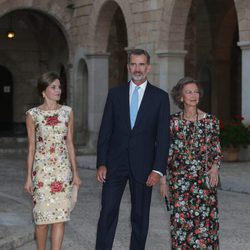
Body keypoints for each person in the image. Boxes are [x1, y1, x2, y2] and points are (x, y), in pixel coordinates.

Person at [95, 49, 170, 250]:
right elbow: (105, 131)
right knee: (108, 211)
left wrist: (157, 169)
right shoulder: (115, 94)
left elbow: (163, 137)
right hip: (114, 164)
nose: (137, 69)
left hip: (145, 167)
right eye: (134, 64)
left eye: (141, 64)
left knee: (140, 216)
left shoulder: (160, 97)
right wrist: (101, 162)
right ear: (128, 67)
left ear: (148, 68)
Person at [160, 76, 222, 249]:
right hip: (179, 184)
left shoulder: (211, 121)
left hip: (204, 183)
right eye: (188, 92)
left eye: (196, 92)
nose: (193, 95)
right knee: (181, 227)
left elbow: (216, 150)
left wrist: (215, 168)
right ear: (181, 97)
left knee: (205, 227)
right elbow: (165, 153)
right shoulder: (172, 123)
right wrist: (163, 180)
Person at [24, 72, 81, 250]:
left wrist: (75, 173)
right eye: (53, 87)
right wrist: (28, 177)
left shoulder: (67, 112)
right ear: (43, 91)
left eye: (59, 87)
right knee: (41, 221)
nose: (58, 90)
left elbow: (70, 143)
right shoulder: (32, 115)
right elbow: (32, 147)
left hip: (62, 171)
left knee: (60, 218)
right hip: (41, 172)